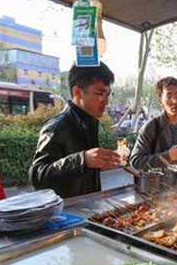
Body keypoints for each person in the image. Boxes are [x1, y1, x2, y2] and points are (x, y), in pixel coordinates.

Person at [29, 62, 120, 198]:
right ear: (77, 92)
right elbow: (38, 176)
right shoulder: (57, 126)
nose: (106, 101)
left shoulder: (89, 121)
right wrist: (83, 160)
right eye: (99, 93)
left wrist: (99, 163)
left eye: (108, 94)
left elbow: (79, 171)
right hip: (66, 214)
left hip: (88, 207)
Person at [129, 77, 177, 170]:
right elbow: (135, 161)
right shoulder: (151, 127)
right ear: (161, 100)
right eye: (169, 96)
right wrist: (168, 156)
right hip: (158, 182)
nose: (175, 101)